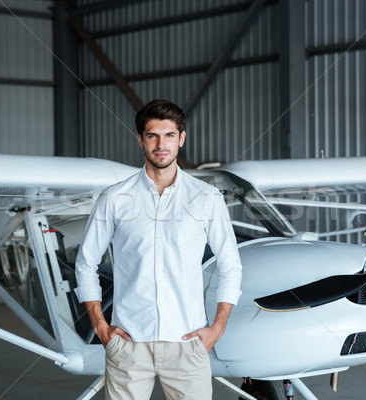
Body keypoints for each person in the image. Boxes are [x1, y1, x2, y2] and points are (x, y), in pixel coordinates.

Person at [74, 99, 243, 400]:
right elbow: (86, 263)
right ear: (140, 139)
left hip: (187, 343)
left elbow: (230, 265)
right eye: (152, 135)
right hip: (128, 344)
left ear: (181, 138)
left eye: (169, 135)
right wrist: (101, 326)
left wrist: (218, 327)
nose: (161, 145)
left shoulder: (206, 198)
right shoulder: (114, 198)